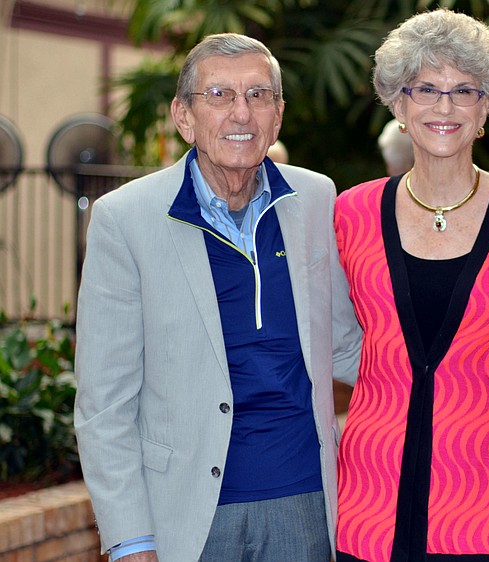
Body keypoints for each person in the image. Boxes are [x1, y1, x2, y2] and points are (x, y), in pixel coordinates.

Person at [73, 33, 361, 562]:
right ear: (184, 116)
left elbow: (348, 345)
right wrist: (131, 541)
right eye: (219, 95)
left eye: (258, 96)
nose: (241, 113)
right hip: (184, 512)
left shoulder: (317, 198)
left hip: (306, 500)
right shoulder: (125, 219)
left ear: (277, 116)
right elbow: (103, 403)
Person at [333, 9, 489, 562]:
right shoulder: (351, 213)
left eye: (464, 90)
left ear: (486, 106)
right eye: (425, 89)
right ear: (398, 104)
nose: (444, 107)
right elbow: (330, 333)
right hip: (371, 509)